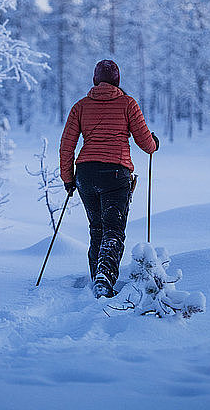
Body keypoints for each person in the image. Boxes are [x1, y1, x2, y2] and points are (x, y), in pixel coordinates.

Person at [59, 59, 159, 299]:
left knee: (97, 229)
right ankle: (104, 279)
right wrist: (154, 143)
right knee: (113, 230)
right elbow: (146, 145)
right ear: (118, 81)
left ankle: (98, 278)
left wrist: (68, 178)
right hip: (115, 174)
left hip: (85, 173)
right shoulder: (128, 104)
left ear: (95, 80)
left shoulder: (80, 106)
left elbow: (66, 146)